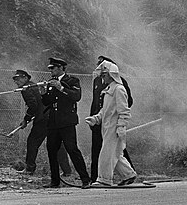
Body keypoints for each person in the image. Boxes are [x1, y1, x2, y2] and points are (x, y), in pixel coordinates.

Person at [41, 57, 91, 189]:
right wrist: (44, 93)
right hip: (53, 122)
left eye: (53, 68)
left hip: (67, 121)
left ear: (61, 68)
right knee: (51, 150)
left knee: (72, 149)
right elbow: (47, 102)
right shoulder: (52, 82)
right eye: (50, 68)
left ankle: (85, 179)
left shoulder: (72, 80)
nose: (51, 71)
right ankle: (55, 181)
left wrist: (61, 88)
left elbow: (76, 96)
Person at [85, 61, 137, 186]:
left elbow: (124, 111)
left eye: (104, 75)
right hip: (107, 127)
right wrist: (96, 118)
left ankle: (104, 179)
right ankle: (128, 174)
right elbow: (106, 110)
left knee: (106, 154)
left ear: (111, 75)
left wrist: (121, 126)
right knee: (115, 153)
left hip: (114, 127)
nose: (102, 78)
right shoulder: (108, 90)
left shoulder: (119, 89)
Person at [12, 69, 72, 176]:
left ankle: (30, 168)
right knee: (58, 144)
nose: (17, 81)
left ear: (26, 78)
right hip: (51, 117)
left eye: (19, 79)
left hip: (43, 120)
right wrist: (29, 118)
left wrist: (26, 119)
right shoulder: (33, 86)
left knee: (32, 142)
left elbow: (33, 105)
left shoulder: (26, 89)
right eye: (15, 80)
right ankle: (67, 170)